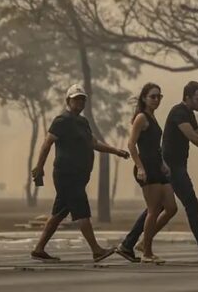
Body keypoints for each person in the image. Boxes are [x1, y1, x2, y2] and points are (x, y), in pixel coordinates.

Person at [117, 81, 198, 263]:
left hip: (165, 165)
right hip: (171, 166)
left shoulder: (187, 114)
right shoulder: (178, 112)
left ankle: (131, 244)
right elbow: (193, 138)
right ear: (187, 98)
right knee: (189, 204)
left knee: (162, 208)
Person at [30, 84, 130, 263]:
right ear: (68, 100)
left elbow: (93, 143)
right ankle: (96, 250)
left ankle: (39, 249)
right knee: (82, 212)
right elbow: (47, 144)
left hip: (79, 175)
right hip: (67, 174)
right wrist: (39, 167)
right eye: (76, 99)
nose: (80, 102)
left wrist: (116, 151)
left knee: (59, 213)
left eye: (82, 99)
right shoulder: (61, 120)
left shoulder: (82, 122)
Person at [125, 83, 177, 263]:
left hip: (158, 166)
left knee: (171, 208)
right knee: (153, 210)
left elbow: (155, 146)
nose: (156, 100)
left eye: (159, 97)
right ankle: (147, 252)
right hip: (146, 167)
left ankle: (144, 241)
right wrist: (140, 167)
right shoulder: (141, 117)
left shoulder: (153, 118)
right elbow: (131, 144)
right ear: (144, 98)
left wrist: (163, 163)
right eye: (153, 96)